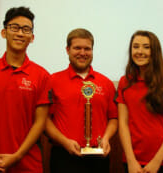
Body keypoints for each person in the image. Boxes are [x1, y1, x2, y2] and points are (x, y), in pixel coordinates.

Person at [0, 6, 51, 173]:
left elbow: (40, 122)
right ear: (4, 32)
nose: (20, 33)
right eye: (14, 27)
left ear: (32, 37)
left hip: (29, 164)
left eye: (26, 29)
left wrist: (18, 155)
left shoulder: (42, 76)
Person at [45, 28, 118, 173]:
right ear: (67, 50)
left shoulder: (106, 83)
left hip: (98, 157)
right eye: (77, 48)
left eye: (87, 49)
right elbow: (45, 120)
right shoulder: (52, 81)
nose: (82, 53)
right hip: (63, 156)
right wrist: (64, 142)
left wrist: (106, 138)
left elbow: (113, 118)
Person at [116, 30, 163, 173]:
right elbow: (123, 123)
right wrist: (131, 160)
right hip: (134, 162)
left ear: (155, 51)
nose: (140, 51)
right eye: (135, 47)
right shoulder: (125, 81)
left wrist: (157, 161)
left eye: (146, 47)